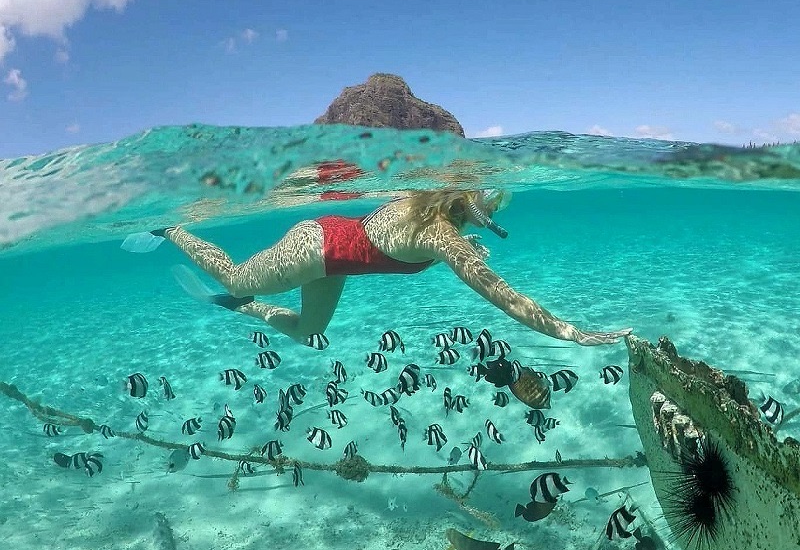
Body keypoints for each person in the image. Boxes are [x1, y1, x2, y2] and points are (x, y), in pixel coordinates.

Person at [141, 189, 631, 346]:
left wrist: (463, 245)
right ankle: (173, 231)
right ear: (467, 203)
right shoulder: (438, 232)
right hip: (317, 247)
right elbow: (503, 297)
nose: (484, 219)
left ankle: (243, 310)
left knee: (309, 330)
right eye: (485, 210)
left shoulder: (435, 220)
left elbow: (414, 239)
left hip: (334, 262)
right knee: (233, 275)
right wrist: (572, 333)